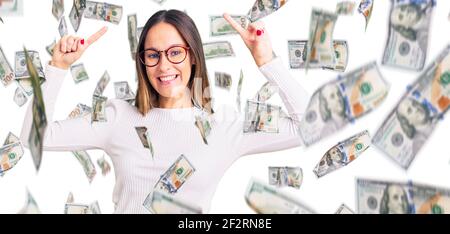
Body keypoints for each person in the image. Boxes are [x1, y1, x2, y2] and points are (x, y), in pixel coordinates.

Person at [20, 9, 309, 214]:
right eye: (153, 55)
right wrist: (57, 68)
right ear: (142, 62)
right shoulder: (117, 117)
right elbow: (35, 138)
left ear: (192, 55)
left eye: (175, 52)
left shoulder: (223, 125)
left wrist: (266, 60)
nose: (164, 66)